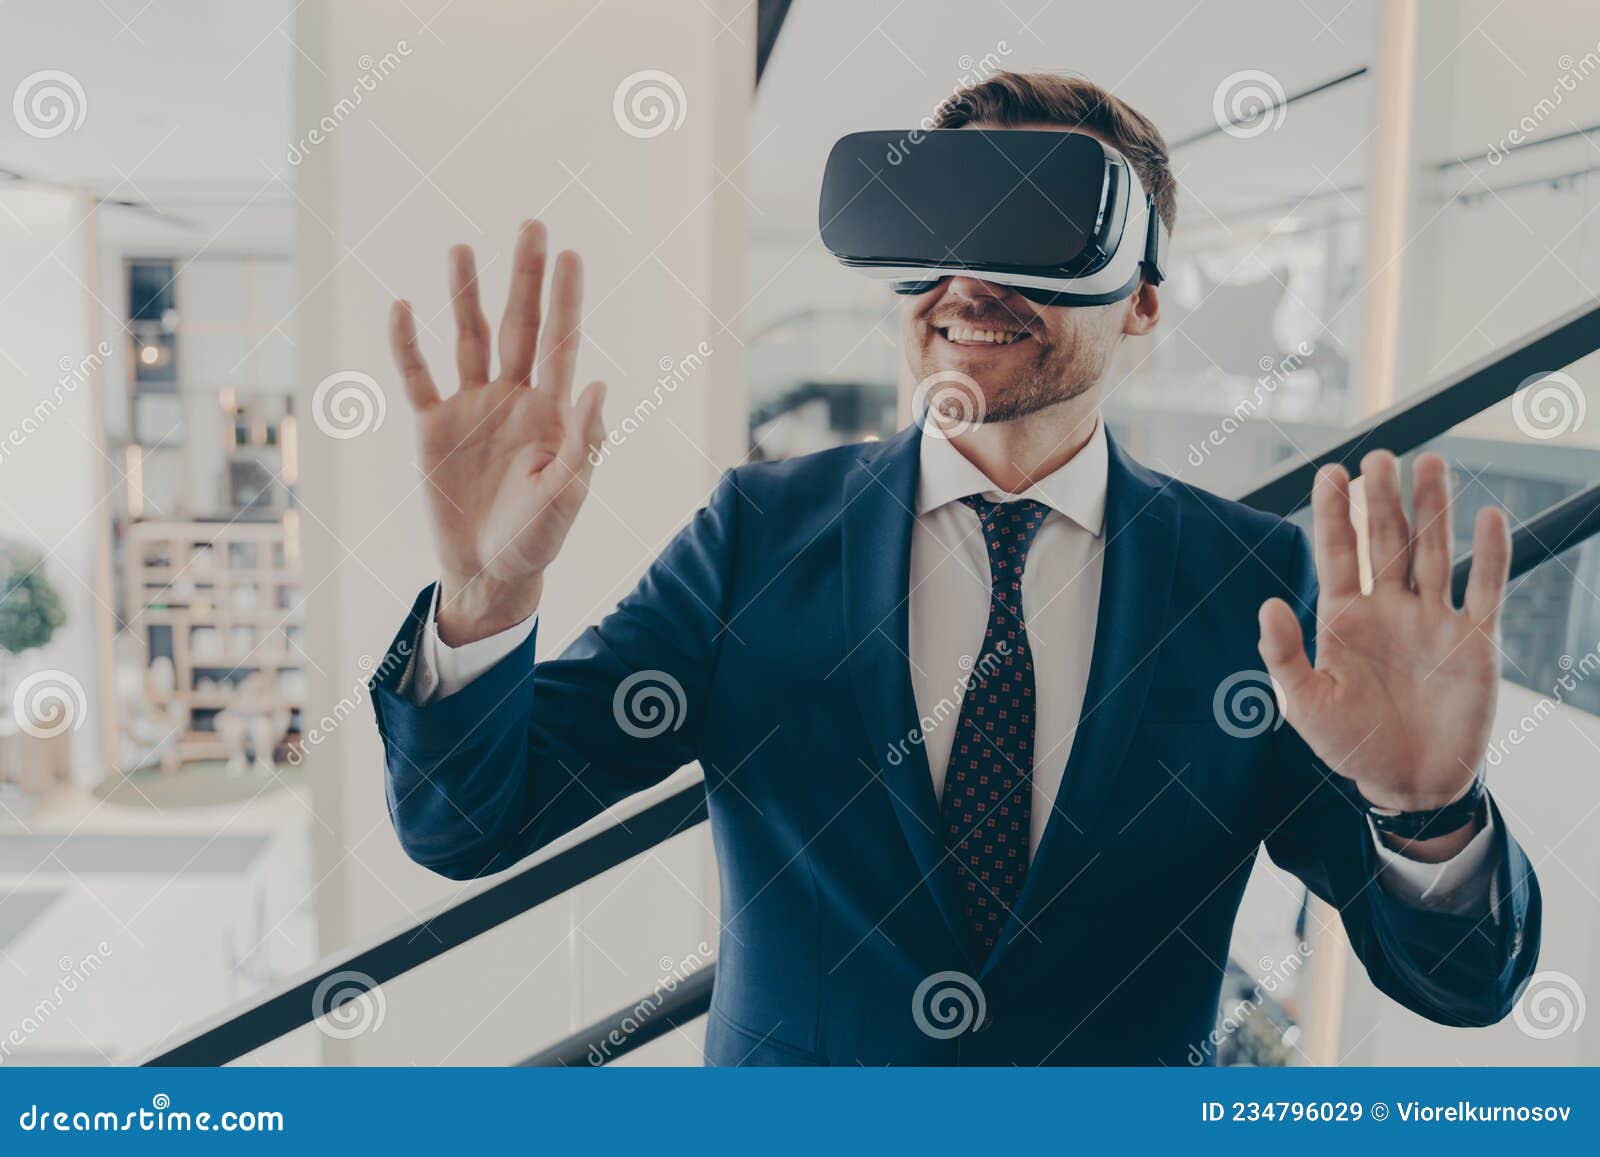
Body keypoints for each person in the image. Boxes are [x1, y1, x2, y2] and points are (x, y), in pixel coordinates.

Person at [369, 72, 1539, 1065]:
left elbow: (1458, 982)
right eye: (935, 230)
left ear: (1139, 303)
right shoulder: (758, 537)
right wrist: (485, 601)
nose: (966, 283)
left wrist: (1425, 811)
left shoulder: (1256, 586)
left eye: (1032, 229)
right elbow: (465, 822)